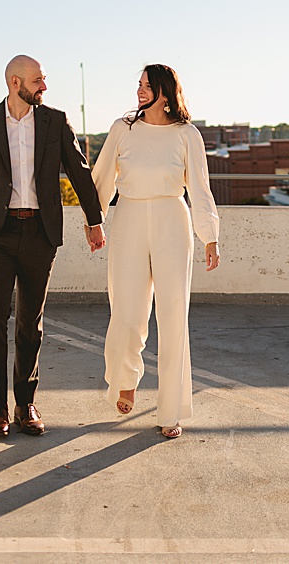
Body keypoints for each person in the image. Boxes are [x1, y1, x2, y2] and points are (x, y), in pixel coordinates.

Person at [0, 55, 106, 438]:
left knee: (30, 323)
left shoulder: (54, 121)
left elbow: (79, 170)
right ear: (15, 83)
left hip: (40, 233)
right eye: (38, 80)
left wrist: (94, 218)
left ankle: (25, 404)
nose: (44, 86)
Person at [90, 63, 219, 438]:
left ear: (165, 91)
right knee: (127, 311)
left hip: (171, 220)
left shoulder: (187, 134)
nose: (140, 91)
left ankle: (170, 410)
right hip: (128, 215)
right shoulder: (122, 129)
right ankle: (125, 380)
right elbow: (102, 178)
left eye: (147, 85)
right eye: (139, 85)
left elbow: (200, 187)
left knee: (173, 315)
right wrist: (93, 222)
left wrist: (209, 236)